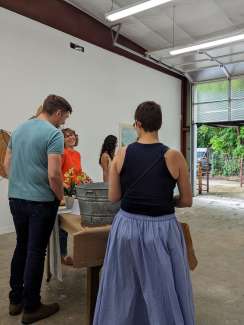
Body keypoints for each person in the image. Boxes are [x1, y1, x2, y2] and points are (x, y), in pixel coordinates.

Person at [93, 101, 195, 325]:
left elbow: (113, 197)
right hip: (162, 228)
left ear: (137, 124)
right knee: (162, 288)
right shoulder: (174, 155)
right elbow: (187, 200)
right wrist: (166, 200)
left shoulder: (122, 153)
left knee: (125, 284)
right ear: (159, 124)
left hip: (127, 226)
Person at [4, 94, 72, 324]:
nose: (63, 124)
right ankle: (32, 306)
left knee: (22, 247)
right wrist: (60, 197)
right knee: (35, 251)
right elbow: (54, 174)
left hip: (16, 198)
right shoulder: (53, 134)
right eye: (64, 120)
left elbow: (6, 164)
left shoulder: (20, 129)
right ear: (58, 112)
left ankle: (16, 300)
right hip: (41, 202)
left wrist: (21, 184)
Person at [60, 128, 81, 265]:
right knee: (64, 224)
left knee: (75, 223)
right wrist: (64, 186)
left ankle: (79, 253)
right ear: (62, 139)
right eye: (67, 136)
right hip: (64, 192)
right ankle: (62, 255)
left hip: (75, 191)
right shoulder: (62, 153)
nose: (70, 137)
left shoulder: (77, 154)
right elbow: (57, 172)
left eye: (72, 135)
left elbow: (79, 172)